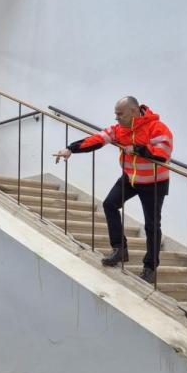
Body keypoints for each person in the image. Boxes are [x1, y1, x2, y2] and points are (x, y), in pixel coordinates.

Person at [52, 96, 173, 284]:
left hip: (154, 183)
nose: (116, 118)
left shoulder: (157, 127)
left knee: (151, 225)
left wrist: (138, 149)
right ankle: (120, 249)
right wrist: (70, 149)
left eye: (120, 114)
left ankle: (150, 267)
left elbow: (163, 153)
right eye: (116, 114)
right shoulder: (119, 128)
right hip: (130, 179)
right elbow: (98, 139)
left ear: (134, 112)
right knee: (109, 204)